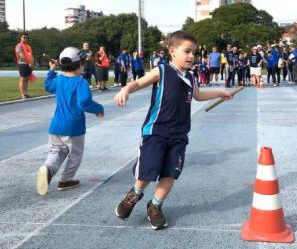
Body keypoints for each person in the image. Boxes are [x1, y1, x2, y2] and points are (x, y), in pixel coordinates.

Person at [113, 31, 233, 230]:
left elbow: (199, 95)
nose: (192, 56)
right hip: (156, 132)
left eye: (194, 52)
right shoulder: (161, 71)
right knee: (146, 173)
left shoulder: (191, 76)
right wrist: (125, 89)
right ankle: (133, 195)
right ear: (172, 51)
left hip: (179, 135)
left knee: (170, 174)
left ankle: (155, 206)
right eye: (187, 51)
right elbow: (138, 82)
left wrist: (220, 92)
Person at [36, 47, 104, 196]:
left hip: (56, 126)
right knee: (75, 155)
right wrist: (98, 108)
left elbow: (48, 86)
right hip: (74, 127)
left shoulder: (58, 80)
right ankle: (66, 180)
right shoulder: (81, 82)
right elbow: (84, 102)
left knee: (56, 152)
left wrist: (51, 71)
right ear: (80, 64)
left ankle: (47, 169)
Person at [15, 32, 34, 99]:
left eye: (27, 38)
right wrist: (28, 62)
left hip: (29, 64)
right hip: (22, 64)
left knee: (26, 79)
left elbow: (31, 55)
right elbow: (22, 55)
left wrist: (32, 63)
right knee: (22, 79)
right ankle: (22, 94)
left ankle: (25, 94)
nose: (25, 39)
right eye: (24, 37)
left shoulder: (28, 46)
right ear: (21, 38)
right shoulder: (19, 46)